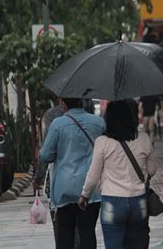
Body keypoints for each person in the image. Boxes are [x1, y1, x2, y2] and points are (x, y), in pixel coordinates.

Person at [79, 100, 158, 249]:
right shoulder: (144, 138)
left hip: (112, 203)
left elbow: (93, 175)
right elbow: (152, 170)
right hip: (138, 201)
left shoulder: (102, 142)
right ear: (131, 117)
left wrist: (85, 195)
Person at [39, 98, 105, 249]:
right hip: (91, 189)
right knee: (88, 232)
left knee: (65, 234)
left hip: (65, 189)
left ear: (63, 103)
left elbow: (45, 156)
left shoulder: (57, 124)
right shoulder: (98, 123)